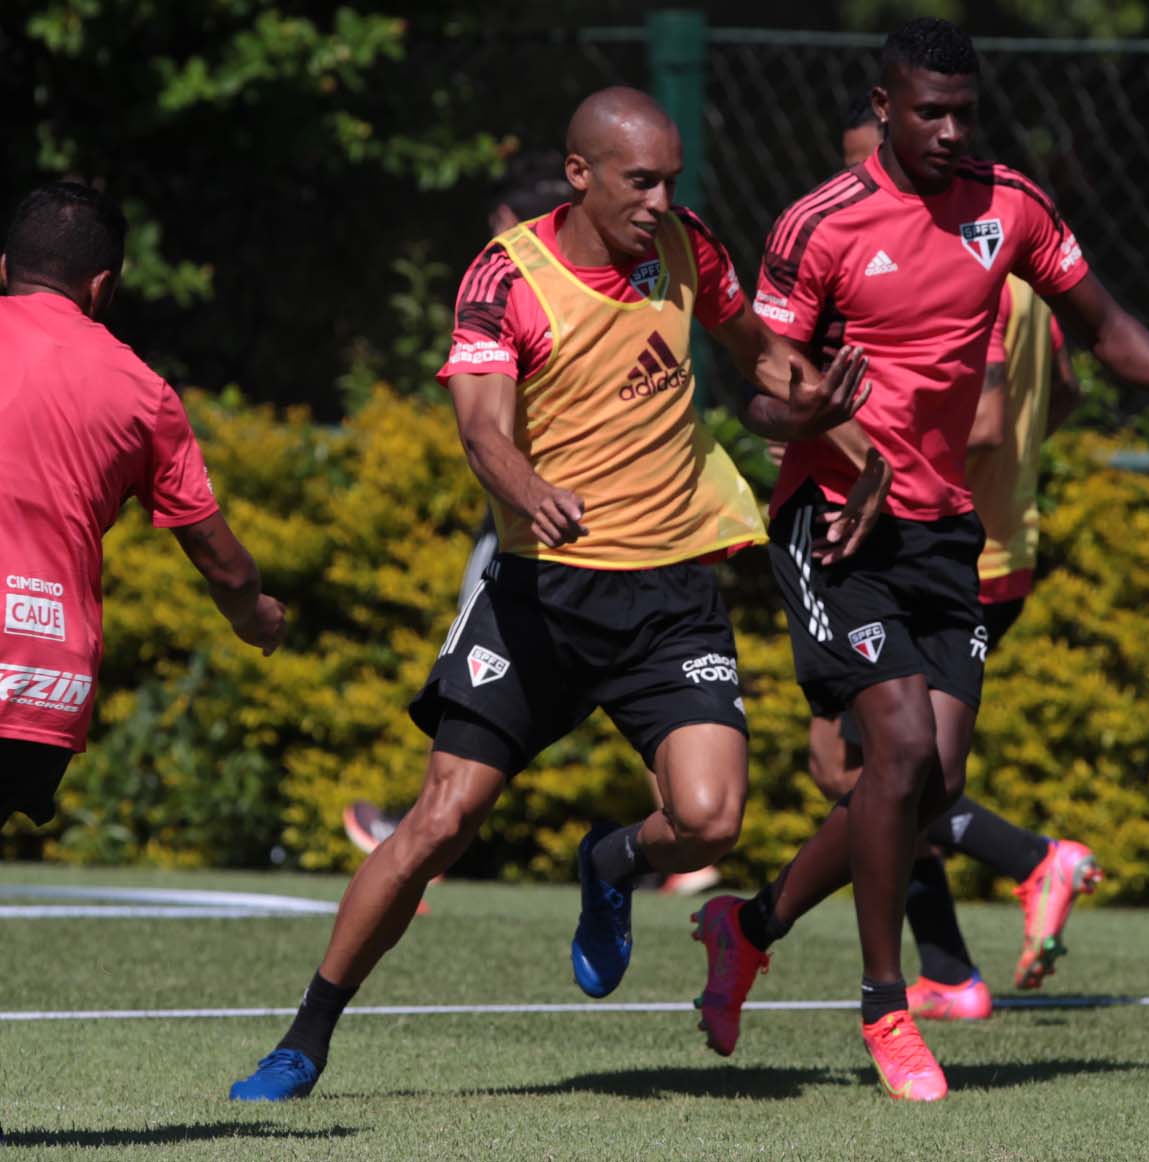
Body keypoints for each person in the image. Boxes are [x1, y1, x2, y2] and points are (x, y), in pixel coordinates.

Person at [228, 86, 882, 1102]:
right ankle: (305, 1035)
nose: (660, 199)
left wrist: (835, 427)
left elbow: (757, 357)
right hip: (542, 596)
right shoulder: (505, 277)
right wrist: (528, 490)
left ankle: (610, 861)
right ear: (578, 174)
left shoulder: (686, 246)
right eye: (640, 180)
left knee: (711, 821)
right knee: (441, 821)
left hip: (670, 592)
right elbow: (482, 426)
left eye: (671, 179)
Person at [691, 19, 1149, 1103]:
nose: (950, 131)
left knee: (930, 779)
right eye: (928, 112)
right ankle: (886, 1008)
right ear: (882, 107)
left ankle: (746, 927)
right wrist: (806, 405)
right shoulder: (820, 224)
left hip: (945, 528)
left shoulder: (1011, 205)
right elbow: (754, 385)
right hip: (834, 519)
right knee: (891, 749)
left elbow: (1101, 322)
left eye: (965, 112)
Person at [341, 149, 720, 897]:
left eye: (503, 227)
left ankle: (428, 838)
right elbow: (484, 431)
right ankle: (433, 830)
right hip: (551, 534)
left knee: (633, 700)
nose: (497, 244)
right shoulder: (507, 285)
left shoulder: (632, 262)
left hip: (588, 551)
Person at [799, 95, 1103, 1022]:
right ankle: (948, 967)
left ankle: (1019, 870)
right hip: (1001, 540)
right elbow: (1070, 394)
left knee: (866, 770)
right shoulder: (1024, 279)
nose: (865, 191)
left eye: (872, 165)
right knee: (891, 769)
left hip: (943, 542)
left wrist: (873, 461)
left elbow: (978, 422)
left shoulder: (981, 277)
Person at [0, 182, 288, 829]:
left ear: (2, 270)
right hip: (40, 683)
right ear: (102, 288)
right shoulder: (142, 391)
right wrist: (255, 615)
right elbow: (225, 566)